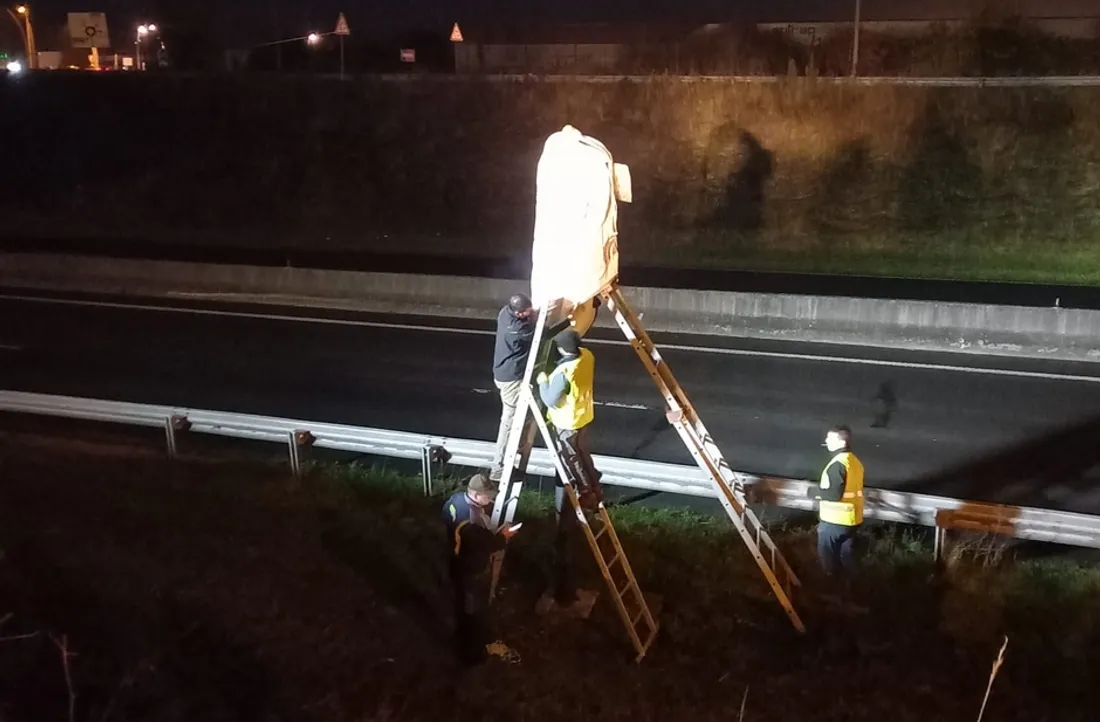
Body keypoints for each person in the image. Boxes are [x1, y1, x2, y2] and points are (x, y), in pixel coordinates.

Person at [442, 473, 521, 666]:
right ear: (476, 495)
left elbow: (445, 514)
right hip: (471, 568)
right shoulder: (472, 521)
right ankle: (473, 655)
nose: (491, 499)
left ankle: (462, 636)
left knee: (461, 604)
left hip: (455, 561)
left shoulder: (456, 500)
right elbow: (489, 545)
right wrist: (505, 536)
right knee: (475, 611)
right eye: (488, 496)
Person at [537, 329, 602, 510]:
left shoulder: (564, 371)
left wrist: (543, 382)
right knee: (583, 452)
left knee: (571, 458)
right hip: (584, 415)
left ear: (561, 349)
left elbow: (550, 400)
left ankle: (586, 492)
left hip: (567, 421)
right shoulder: (587, 356)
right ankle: (595, 483)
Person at [808, 426, 865, 600]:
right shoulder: (854, 461)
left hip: (834, 520)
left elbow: (834, 495)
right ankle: (855, 594)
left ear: (842, 441)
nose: (826, 441)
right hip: (852, 520)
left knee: (827, 559)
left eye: (830, 438)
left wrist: (814, 492)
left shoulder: (838, 464)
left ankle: (830, 594)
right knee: (847, 558)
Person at [490, 294, 537, 481]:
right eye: (527, 311)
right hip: (511, 379)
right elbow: (539, 335)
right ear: (518, 313)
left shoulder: (504, 312)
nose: (531, 312)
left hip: (502, 372)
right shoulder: (517, 330)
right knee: (509, 422)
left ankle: (517, 445)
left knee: (524, 414)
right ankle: (498, 467)